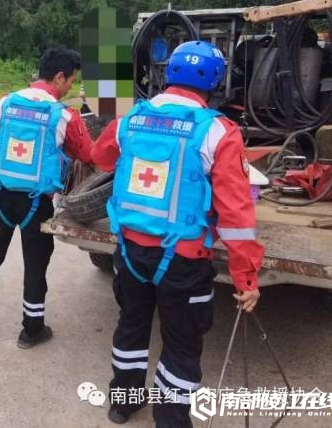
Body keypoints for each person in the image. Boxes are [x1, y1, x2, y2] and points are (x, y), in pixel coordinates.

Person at [91, 41, 264, 426]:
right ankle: (169, 419)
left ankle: (123, 401)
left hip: (131, 253)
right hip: (184, 261)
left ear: (168, 74)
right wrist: (246, 276)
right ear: (216, 82)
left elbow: (99, 158)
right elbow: (236, 212)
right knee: (182, 343)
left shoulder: (131, 120)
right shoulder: (219, 132)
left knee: (131, 325)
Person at [0, 47, 94, 348]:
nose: (70, 88)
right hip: (37, 204)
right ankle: (32, 330)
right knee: (35, 263)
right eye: (71, 81)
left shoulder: (6, 103)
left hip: (1, 197)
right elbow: (87, 153)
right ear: (59, 77)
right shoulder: (63, 116)